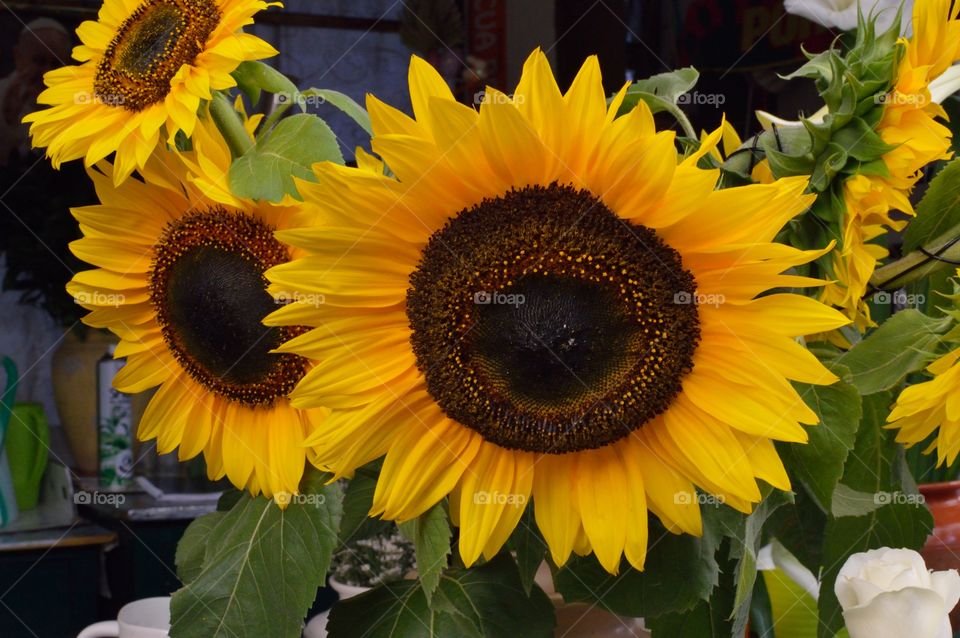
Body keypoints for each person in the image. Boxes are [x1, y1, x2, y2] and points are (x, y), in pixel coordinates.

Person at [0, 17, 70, 167]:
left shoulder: (75, 102)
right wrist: (7, 121)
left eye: (55, 64)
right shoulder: (2, 94)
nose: (47, 73)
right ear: (18, 57)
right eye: (39, 61)